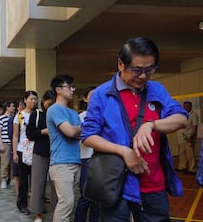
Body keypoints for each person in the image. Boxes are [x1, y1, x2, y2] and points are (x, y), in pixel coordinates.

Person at [81, 37, 188, 222]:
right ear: (121, 64)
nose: (144, 76)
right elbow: (88, 135)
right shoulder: (101, 94)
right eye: (137, 70)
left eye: (150, 70)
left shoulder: (157, 90)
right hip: (116, 184)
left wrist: (152, 124)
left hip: (153, 183)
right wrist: (124, 152)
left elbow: (181, 119)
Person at [47, 75, 81, 222]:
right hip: (61, 163)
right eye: (70, 87)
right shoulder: (54, 110)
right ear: (59, 90)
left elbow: (79, 134)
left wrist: (78, 129)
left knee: (69, 203)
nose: (73, 90)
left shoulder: (73, 113)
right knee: (66, 203)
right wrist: (84, 127)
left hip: (75, 161)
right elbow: (71, 132)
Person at [27, 90, 55, 222]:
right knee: (38, 184)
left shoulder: (58, 113)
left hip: (56, 153)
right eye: (49, 103)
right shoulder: (37, 114)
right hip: (40, 152)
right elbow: (30, 134)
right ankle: (38, 214)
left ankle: (57, 213)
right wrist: (44, 131)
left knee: (57, 186)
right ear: (43, 101)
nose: (50, 106)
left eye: (53, 103)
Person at [74, 86, 99, 222]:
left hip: (101, 159)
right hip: (86, 158)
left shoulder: (103, 115)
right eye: (91, 95)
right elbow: (82, 138)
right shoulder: (81, 117)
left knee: (96, 196)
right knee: (85, 194)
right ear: (85, 99)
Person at [13, 91, 38, 215]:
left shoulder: (39, 114)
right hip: (22, 150)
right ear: (25, 100)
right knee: (23, 179)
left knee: (36, 179)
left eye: (35, 99)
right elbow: (15, 136)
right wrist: (14, 153)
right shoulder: (19, 116)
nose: (33, 101)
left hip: (36, 150)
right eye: (31, 99)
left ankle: (36, 204)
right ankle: (22, 204)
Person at [0, 101, 16, 189]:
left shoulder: (14, 117)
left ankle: (11, 178)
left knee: (13, 162)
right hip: (5, 143)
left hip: (14, 143)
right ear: (7, 108)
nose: (13, 108)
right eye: (12, 106)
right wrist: (1, 144)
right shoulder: (2, 118)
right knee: (5, 162)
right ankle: (3, 179)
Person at [177, 101, 199, 173]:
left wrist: (192, 136)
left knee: (190, 153)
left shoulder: (194, 115)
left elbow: (195, 127)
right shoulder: (183, 115)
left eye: (187, 106)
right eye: (184, 106)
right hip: (183, 136)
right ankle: (182, 167)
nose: (185, 107)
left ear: (190, 106)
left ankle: (192, 169)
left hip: (189, 136)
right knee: (182, 152)